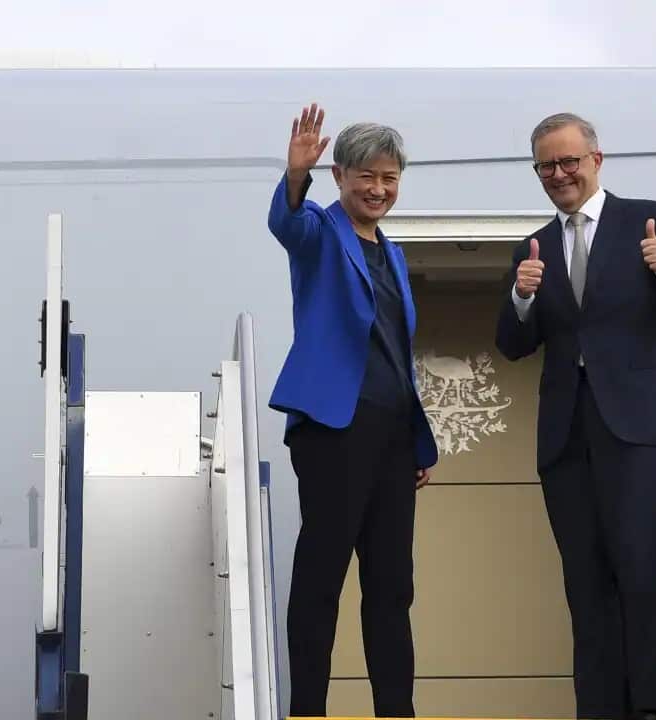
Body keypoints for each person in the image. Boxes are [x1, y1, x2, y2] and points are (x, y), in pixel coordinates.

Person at [494, 112, 656, 720]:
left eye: (569, 161)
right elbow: (512, 345)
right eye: (546, 165)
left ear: (596, 160)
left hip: (638, 430)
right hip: (567, 436)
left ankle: (650, 711)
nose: (559, 174)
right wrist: (522, 295)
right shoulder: (532, 247)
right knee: (585, 586)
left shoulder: (646, 218)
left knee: (642, 575)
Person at [266, 103, 438, 718]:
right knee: (322, 577)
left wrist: (417, 441)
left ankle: (397, 710)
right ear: (339, 176)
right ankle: (308, 709)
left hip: (393, 437)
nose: (378, 188)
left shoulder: (391, 254)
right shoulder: (319, 231)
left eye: (389, 177)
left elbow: (397, 351)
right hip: (334, 429)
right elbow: (287, 225)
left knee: (393, 585)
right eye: (366, 175)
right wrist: (294, 177)